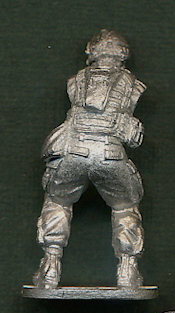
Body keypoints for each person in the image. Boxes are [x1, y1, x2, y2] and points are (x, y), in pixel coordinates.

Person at [33, 29, 146, 288]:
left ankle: (51, 265)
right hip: (110, 155)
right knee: (125, 207)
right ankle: (127, 269)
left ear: (91, 52)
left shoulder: (76, 81)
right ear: (122, 55)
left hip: (73, 152)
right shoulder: (132, 85)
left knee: (57, 202)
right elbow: (133, 137)